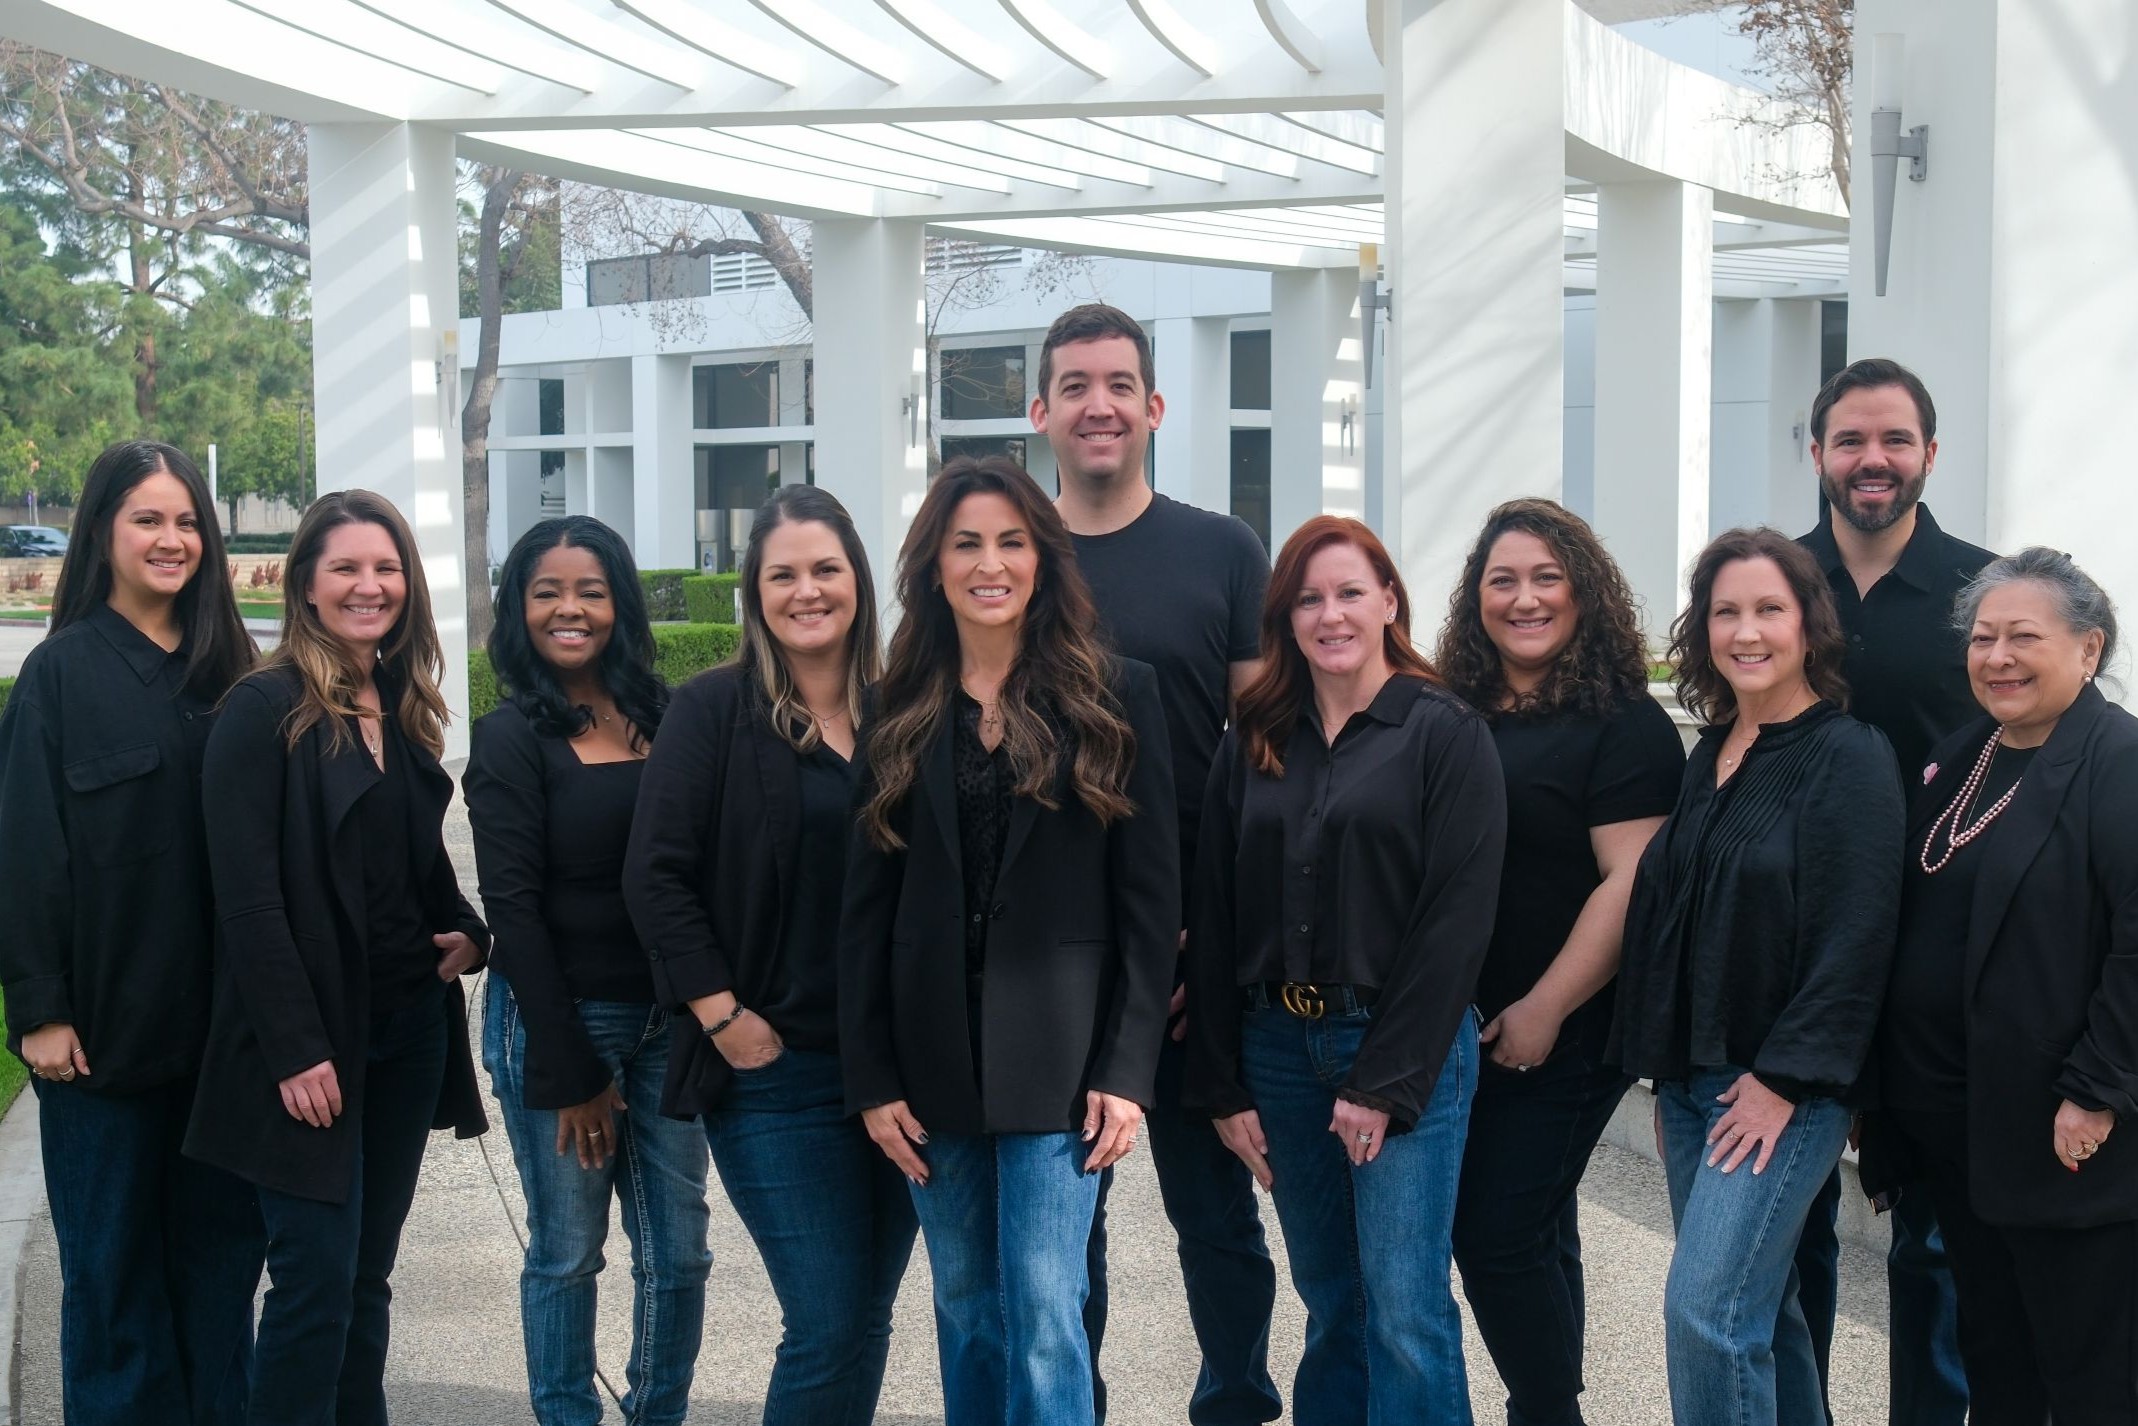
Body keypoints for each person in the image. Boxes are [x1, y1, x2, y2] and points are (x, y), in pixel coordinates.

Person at [839, 455, 1178, 1426]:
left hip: (1065, 1070)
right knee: (965, 1309)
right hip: (926, 1065)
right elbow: (863, 911)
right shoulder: (894, 709)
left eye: (1010, 542)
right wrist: (871, 1076)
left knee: (1042, 1311)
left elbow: (1150, 905)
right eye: (965, 544)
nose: (989, 564)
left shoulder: (1117, 694)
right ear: (933, 567)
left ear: (1042, 559)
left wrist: (1127, 1066)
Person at [1188, 515, 1506, 1425]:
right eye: (1308, 599)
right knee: (1332, 1299)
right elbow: (1213, 914)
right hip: (1277, 1053)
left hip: (1401, 1051)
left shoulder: (1444, 731)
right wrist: (1220, 1084)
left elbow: (1456, 923)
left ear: (1390, 600)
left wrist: (1383, 1083)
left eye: (1350, 592)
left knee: (1406, 1309)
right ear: (1285, 618)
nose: (1330, 614)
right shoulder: (1252, 738)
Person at [184, 489, 490, 1426]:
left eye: (387, 567)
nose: (371, 585)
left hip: (405, 1033)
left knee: (364, 1278)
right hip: (312, 1048)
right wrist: (292, 1048)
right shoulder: (262, 708)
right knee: (314, 1280)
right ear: (304, 583)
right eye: (348, 568)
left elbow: (413, 865)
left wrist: (473, 935)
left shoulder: (394, 703)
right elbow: (246, 898)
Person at [1030, 301, 1279, 1425]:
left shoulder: (1220, 550)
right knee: (1058, 1221)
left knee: (1211, 1208)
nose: (1098, 403)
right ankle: (1070, 1402)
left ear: (1153, 407)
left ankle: (1233, 1395)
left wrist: (1212, 932)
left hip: (1188, 942)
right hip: (1045, 951)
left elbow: (1261, 758)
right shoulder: (1004, 556)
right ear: (1041, 411)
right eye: (1075, 384)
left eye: (1118, 383)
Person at [623, 485, 918, 1424]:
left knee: (866, 1320)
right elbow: (655, 876)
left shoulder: (906, 708)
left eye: (825, 569)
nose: (807, 591)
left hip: (898, 1071)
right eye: (783, 574)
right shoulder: (713, 711)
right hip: (775, 1073)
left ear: (859, 582)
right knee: (826, 1321)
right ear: (756, 592)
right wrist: (721, 1016)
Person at [1612, 527, 1903, 1426]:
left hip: (1781, 1090)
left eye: (1769, 609)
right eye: (1725, 612)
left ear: (1809, 625)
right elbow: (1677, 925)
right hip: (1697, 1086)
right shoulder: (1714, 751)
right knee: (1761, 1316)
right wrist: (1666, 1079)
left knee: (1705, 1314)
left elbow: (1857, 940)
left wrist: (1781, 1083)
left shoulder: (1850, 756)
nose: (1746, 631)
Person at [0, 441, 261, 1425]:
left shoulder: (235, 676)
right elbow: (26, 852)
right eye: (148, 518)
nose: (171, 538)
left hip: (224, 1053)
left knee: (219, 1277)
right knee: (113, 1288)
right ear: (104, 531)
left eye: (188, 520)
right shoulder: (59, 677)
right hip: (100, 1053)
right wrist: (40, 1009)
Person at [1863, 549, 2138, 1425]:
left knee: (2087, 1370)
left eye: (2024, 637)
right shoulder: (1963, 754)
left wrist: (2095, 1091)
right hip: (1961, 1132)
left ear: (2089, 650)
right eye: (1983, 638)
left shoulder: (2120, 763)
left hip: (2064, 1133)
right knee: (1995, 1355)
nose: (1997, 657)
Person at [1435, 499, 1683, 1426]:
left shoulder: (1623, 726)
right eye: (1504, 579)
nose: (1525, 598)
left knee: (1493, 1233)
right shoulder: (1453, 709)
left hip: (1569, 1027)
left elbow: (1628, 883)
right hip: (1456, 1028)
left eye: (1547, 577)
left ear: (1585, 593)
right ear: (1476, 597)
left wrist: (1542, 1007)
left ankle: (1545, 1410)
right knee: (1536, 1225)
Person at [466, 516, 711, 1426]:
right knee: (569, 1252)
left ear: (621, 603)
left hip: (668, 1024)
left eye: (592, 591)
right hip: (560, 1022)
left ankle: (658, 1413)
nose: (571, 609)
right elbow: (514, 912)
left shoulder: (669, 714)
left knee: (679, 1253)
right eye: (547, 592)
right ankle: (567, 1414)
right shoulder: (507, 739)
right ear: (518, 609)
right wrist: (568, 1070)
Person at [1795, 356, 1987, 1426]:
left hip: (1936, 957)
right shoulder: (1768, 579)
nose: (1872, 460)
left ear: (1926, 453)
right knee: (1790, 1225)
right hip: (1795, 953)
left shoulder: (1984, 591)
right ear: (1814, 450)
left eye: (1893, 440)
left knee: (1929, 1239)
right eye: (1850, 440)